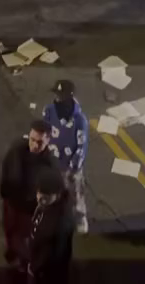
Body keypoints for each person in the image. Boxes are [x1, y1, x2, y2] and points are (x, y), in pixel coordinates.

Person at [0, 119, 58, 272]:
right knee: (10, 230)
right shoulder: (17, 150)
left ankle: (23, 261)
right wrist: (5, 194)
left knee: (24, 237)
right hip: (12, 202)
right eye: (32, 140)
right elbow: (6, 169)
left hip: (29, 209)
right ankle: (12, 253)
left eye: (39, 142)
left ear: (48, 141)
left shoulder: (50, 164)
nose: (34, 145)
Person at [43, 80, 89, 233]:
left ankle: (80, 216)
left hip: (70, 165)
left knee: (76, 192)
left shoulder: (79, 120)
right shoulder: (49, 111)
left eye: (60, 95)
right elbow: (44, 133)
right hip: (54, 161)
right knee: (52, 193)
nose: (57, 98)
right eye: (56, 94)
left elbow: (82, 146)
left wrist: (74, 167)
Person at [29, 167, 75, 284]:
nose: (41, 199)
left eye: (47, 197)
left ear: (58, 195)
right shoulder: (49, 206)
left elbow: (50, 255)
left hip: (48, 273)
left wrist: (34, 268)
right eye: (40, 193)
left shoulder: (61, 222)